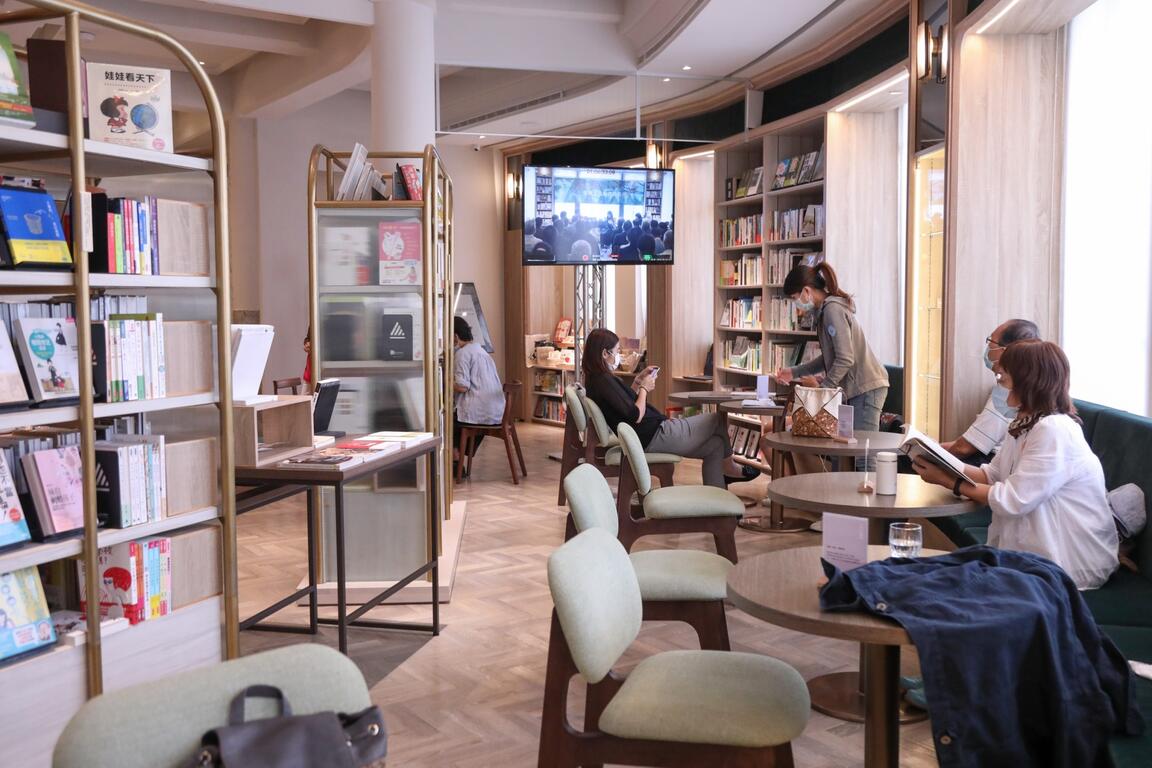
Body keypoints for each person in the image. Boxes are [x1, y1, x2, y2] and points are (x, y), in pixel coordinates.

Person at [912, 339, 1118, 590]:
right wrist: (943, 462)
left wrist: (948, 481)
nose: (999, 383)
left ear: (1027, 381)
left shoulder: (1054, 430)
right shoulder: (1024, 424)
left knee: (944, 582)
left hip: (1069, 561)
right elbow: (991, 475)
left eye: (1003, 376)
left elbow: (1014, 499)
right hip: (1031, 553)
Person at [582, 328, 751, 488]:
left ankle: (717, 501)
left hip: (650, 435)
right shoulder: (604, 381)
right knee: (717, 419)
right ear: (605, 353)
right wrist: (644, 388)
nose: (618, 355)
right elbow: (635, 415)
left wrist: (638, 382)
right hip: (655, 435)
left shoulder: (597, 381)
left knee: (716, 444)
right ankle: (730, 467)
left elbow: (623, 406)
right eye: (617, 351)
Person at [774, 262, 889, 433]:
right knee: (845, 445)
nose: (796, 304)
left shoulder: (832, 311)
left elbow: (845, 359)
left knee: (863, 449)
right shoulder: (824, 312)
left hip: (865, 388)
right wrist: (794, 372)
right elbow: (830, 358)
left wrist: (823, 391)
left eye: (794, 298)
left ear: (806, 291)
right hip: (856, 389)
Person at [941, 319, 1040, 464]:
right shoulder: (1022, 388)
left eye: (991, 341)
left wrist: (929, 451)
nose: (987, 347)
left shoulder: (1009, 395)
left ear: (1005, 351)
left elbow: (963, 448)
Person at [453, 316, 505, 473]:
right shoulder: (482, 351)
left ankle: (456, 461)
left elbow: (462, 386)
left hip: (478, 413)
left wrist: (444, 383)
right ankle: (460, 457)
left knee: (447, 420)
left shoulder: (462, 353)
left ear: (455, 336)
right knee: (456, 418)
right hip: (496, 412)